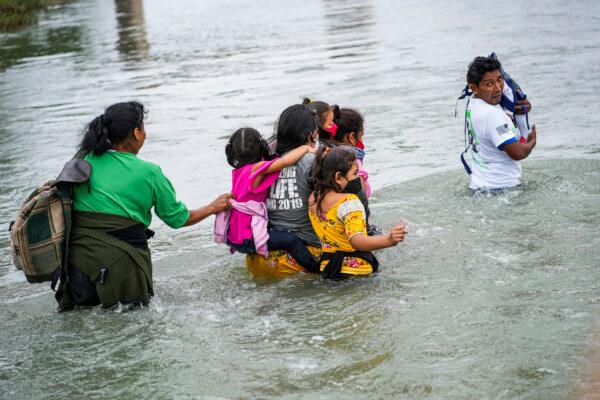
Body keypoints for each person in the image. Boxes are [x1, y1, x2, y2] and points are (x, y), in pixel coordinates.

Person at [56, 101, 232, 311]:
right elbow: (177, 219)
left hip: (76, 264)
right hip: (121, 265)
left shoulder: (82, 161)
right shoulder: (149, 172)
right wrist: (213, 207)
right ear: (137, 132)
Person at [216, 127, 319, 272]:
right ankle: (318, 271)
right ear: (260, 148)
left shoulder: (238, 171)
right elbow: (286, 161)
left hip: (236, 237)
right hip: (248, 238)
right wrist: (305, 147)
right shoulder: (256, 169)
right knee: (291, 241)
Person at [308, 146, 407, 279]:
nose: (357, 178)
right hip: (357, 272)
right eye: (355, 174)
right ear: (338, 177)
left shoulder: (313, 198)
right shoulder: (349, 202)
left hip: (328, 268)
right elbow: (356, 240)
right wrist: (388, 240)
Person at [246, 103, 321, 277]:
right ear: (312, 134)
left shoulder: (264, 164)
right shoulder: (312, 160)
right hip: (302, 258)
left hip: (259, 255)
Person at [464, 56, 537, 193]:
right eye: (489, 84)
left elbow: (496, 129)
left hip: (478, 186)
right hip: (501, 189)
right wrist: (532, 142)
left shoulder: (473, 104)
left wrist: (519, 112)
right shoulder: (492, 115)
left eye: (499, 79)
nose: (498, 88)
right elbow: (517, 152)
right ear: (474, 88)